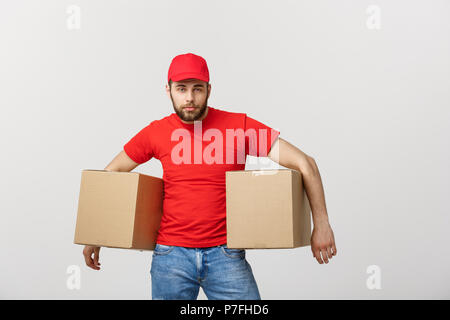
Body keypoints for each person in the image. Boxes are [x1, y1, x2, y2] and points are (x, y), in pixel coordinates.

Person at [82, 52, 337, 300]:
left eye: (197, 88)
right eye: (181, 89)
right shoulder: (156, 132)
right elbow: (111, 174)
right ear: (168, 89)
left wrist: (321, 224)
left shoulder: (239, 126)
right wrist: (95, 233)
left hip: (225, 255)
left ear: (209, 90)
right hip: (171, 257)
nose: (190, 98)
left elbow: (306, 163)